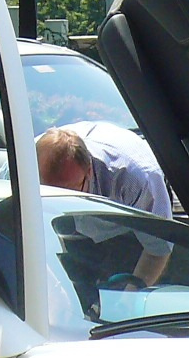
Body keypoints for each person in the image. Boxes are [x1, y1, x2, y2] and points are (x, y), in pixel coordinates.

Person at [36, 121, 175, 287]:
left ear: (89, 171)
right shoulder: (18, 170)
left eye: (66, 191)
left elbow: (158, 249)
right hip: (71, 234)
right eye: (47, 190)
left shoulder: (136, 179)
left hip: (128, 233)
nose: (57, 200)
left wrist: (131, 296)